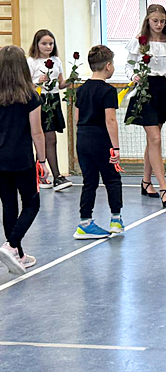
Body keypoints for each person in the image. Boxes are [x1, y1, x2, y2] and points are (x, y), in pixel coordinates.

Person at [125, 4, 166, 208]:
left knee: (153, 140)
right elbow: (128, 64)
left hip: (161, 88)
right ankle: (164, 188)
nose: (159, 24)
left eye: (162, 21)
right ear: (148, 21)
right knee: (155, 138)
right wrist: (133, 75)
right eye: (155, 21)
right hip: (144, 87)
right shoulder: (138, 41)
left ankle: (145, 182)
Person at [0, 46, 48, 275]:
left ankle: (17, 254)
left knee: (9, 205)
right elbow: (37, 132)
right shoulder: (31, 96)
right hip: (21, 160)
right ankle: (11, 246)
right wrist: (43, 160)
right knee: (32, 202)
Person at [72, 46, 124, 240]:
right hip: (101, 139)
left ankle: (85, 222)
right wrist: (116, 148)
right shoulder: (108, 91)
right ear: (108, 65)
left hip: (83, 138)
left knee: (89, 181)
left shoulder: (82, 89)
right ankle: (116, 219)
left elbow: (77, 117)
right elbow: (110, 120)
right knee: (112, 178)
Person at [27, 29, 72, 191]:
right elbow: (26, 86)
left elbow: (60, 84)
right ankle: (50, 175)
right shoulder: (31, 62)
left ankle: (53, 175)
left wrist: (71, 80)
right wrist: (38, 81)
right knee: (45, 137)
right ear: (37, 44)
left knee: (51, 139)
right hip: (39, 100)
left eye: (50, 43)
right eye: (44, 43)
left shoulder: (56, 60)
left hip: (53, 100)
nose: (48, 47)